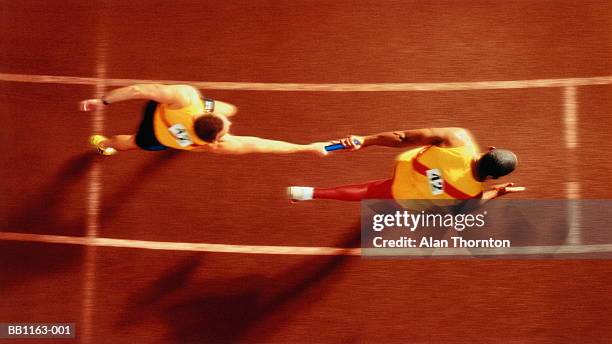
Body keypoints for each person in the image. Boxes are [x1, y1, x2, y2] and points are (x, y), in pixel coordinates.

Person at [79, 83, 328, 156]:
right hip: (163, 139)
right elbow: (261, 144)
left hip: (160, 116)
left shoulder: (186, 97)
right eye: (226, 129)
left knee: (230, 108)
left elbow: (137, 91)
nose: (229, 126)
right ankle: (107, 144)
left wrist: (101, 102)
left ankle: (106, 145)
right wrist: (306, 148)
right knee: (131, 142)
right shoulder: (217, 146)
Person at [288, 127, 524, 202]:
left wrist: (365, 141)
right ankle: (309, 194)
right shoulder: (472, 194)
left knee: (371, 188)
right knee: (372, 193)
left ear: (490, 150)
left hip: (408, 166)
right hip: (413, 192)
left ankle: (308, 192)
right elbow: (473, 205)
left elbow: (403, 137)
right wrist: (496, 192)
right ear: (495, 177)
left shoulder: (457, 138)